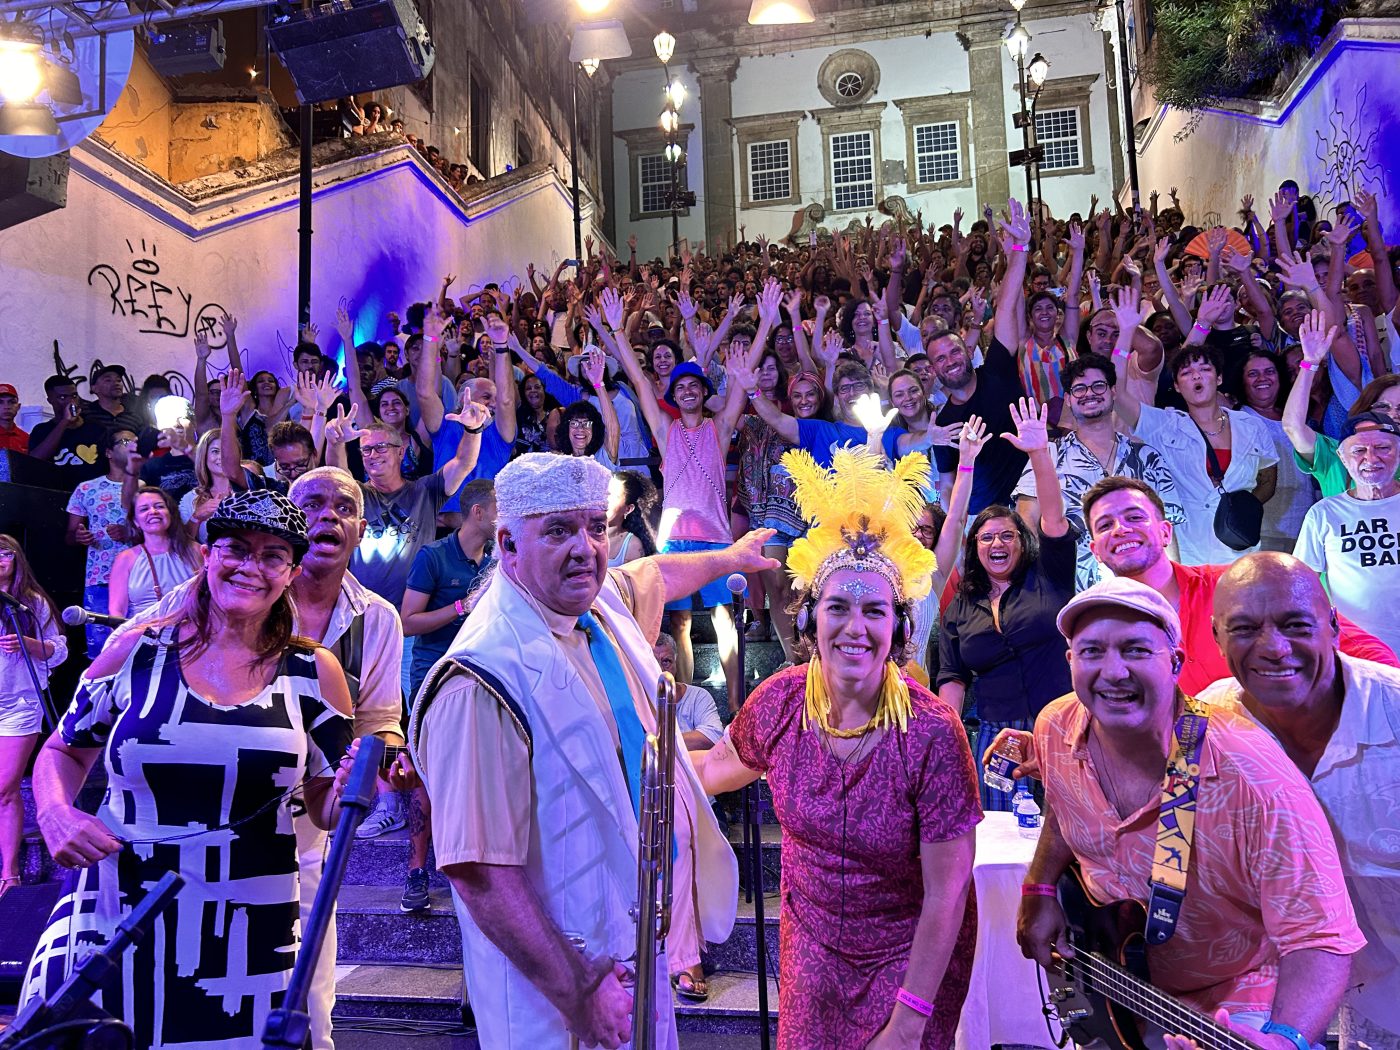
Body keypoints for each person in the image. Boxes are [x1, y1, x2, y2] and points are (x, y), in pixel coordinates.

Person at [408, 453, 763, 1049]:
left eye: (595, 528)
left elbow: (654, 575)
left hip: (633, 949)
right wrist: (577, 990)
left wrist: (728, 559)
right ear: (506, 545)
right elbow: (479, 872)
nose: (585, 548)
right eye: (557, 530)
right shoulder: (480, 677)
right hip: (559, 991)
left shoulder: (596, 610)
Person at [23, 489, 354, 1050]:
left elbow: (323, 803)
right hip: (120, 909)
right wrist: (55, 812)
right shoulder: (136, 651)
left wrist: (346, 791)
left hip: (251, 926)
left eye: (273, 555)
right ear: (207, 555)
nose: (251, 566)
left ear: (291, 572)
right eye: (236, 549)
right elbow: (61, 751)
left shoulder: (313, 671)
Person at [690, 445, 982, 1050]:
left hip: (911, 957)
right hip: (812, 950)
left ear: (899, 628)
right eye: (838, 608)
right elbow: (711, 770)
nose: (856, 627)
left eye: (875, 610)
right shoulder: (779, 701)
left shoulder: (931, 733)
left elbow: (948, 893)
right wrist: (624, 754)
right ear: (808, 622)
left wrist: (908, 1023)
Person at [120, 468, 409, 1050]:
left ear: (357, 528)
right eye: (314, 504)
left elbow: (379, 722)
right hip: (185, 832)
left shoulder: (378, 618)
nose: (329, 515)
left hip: (302, 829)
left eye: (344, 507)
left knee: (303, 998)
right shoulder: (202, 591)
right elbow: (126, 668)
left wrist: (376, 762)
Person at [1016, 577, 1364, 1049]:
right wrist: (1038, 889)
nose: (1113, 672)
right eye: (1093, 652)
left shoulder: (1250, 775)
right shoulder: (1055, 726)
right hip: (1113, 977)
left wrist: (1287, 1039)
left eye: (1137, 650)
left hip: (1231, 1001)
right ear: (1070, 662)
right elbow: (1064, 802)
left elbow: (1321, 935)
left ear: (1176, 662)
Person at [1204, 553, 1400, 1050]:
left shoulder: (1394, 708)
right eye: (1245, 628)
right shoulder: (1205, 724)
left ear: (1333, 626)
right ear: (1216, 637)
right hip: (1307, 1007)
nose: (1273, 648)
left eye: (1296, 624)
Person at [1080, 475, 1396, 694]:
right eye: (1105, 525)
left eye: (1135, 517)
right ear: (1095, 550)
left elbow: (1362, 650)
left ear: (1165, 533)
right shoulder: (1104, 632)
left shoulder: (1241, 584)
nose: (1120, 529)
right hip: (1203, 777)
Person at [593, 288, 751, 710]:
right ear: (675, 395)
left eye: (693, 386)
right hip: (675, 538)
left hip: (717, 536)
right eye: (679, 387)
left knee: (725, 622)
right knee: (678, 622)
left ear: (702, 391)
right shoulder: (666, 431)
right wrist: (616, 329)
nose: (686, 392)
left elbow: (739, 388)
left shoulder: (719, 429)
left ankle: (736, 709)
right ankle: (682, 707)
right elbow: (642, 382)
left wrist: (767, 318)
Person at [939, 398, 1077, 809]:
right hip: (996, 740)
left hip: (1062, 728)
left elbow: (1053, 519)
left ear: (1023, 542)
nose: (996, 542)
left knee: (1068, 837)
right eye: (986, 537)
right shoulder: (959, 608)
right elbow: (952, 677)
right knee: (1002, 841)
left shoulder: (1048, 577)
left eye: (1006, 535)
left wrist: (1039, 453)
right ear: (974, 548)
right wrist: (948, 738)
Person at [1111, 286, 1279, 564]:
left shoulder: (1250, 424)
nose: (1196, 376)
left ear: (1219, 379)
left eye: (1204, 369)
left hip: (1243, 551)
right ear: (1177, 386)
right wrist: (1127, 332)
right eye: (1187, 372)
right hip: (1189, 554)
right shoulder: (1165, 424)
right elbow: (1116, 393)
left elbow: (1268, 480)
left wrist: (1238, 509)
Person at [1014, 351, 1184, 591]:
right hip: (1071, 593)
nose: (1089, 393)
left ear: (1113, 392)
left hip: (1145, 591)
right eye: (1079, 389)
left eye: (1098, 386)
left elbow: (1167, 529)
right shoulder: (1047, 454)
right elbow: (1026, 521)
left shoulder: (1147, 457)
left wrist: (1173, 589)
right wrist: (1041, 586)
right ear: (1069, 400)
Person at [651, 631, 724, 1004]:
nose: (662, 668)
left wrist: (662, 736)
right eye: (655, 661)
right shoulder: (640, 697)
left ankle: (686, 958)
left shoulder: (698, 696)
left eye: (667, 661)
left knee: (682, 840)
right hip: (651, 806)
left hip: (703, 803)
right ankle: (674, 954)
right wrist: (680, 737)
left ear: (676, 661)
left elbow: (714, 736)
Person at [1293, 410, 1400, 655]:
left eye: (1383, 448)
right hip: (1356, 649)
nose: (1371, 458)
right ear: (1342, 457)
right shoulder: (1324, 514)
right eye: (1359, 451)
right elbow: (1301, 584)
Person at [0, 535, 66, 899]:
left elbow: (58, 650)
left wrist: (29, 644)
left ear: (17, 558)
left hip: (18, 704)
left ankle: (9, 874)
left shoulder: (30, 604)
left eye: (5, 552)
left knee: (5, 787)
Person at [65, 428, 136, 656]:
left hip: (137, 576)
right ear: (108, 452)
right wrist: (79, 536)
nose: (133, 445)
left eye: (136, 441)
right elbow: (69, 534)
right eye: (126, 441)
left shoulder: (145, 488)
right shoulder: (86, 488)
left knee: (137, 642)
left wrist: (130, 533)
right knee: (101, 647)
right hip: (98, 576)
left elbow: (162, 533)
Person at [108, 485, 203, 618]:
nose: (153, 512)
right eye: (144, 509)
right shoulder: (126, 559)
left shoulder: (196, 550)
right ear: (136, 522)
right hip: (143, 635)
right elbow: (116, 612)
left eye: (159, 506)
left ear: (170, 513)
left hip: (192, 633)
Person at [28, 374, 109, 485]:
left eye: (74, 396)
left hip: (90, 495)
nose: (71, 402)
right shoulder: (42, 430)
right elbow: (35, 461)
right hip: (55, 494)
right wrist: (64, 422)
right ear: (50, 400)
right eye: (62, 397)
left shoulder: (97, 428)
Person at [179, 429, 235, 542]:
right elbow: (182, 544)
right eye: (215, 451)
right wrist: (196, 517)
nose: (222, 456)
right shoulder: (190, 498)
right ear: (204, 456)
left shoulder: (250, 489)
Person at [606, 469, 657, 568]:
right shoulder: (585, 534)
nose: (606, 500)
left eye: (614, 496)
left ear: (628, 509)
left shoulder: (632, 545)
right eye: (606, 493)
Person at [0, 382, 28, 452]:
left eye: (12, 402)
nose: (6, 407)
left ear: (18, 407)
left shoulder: (26, 438)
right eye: (0, 402)